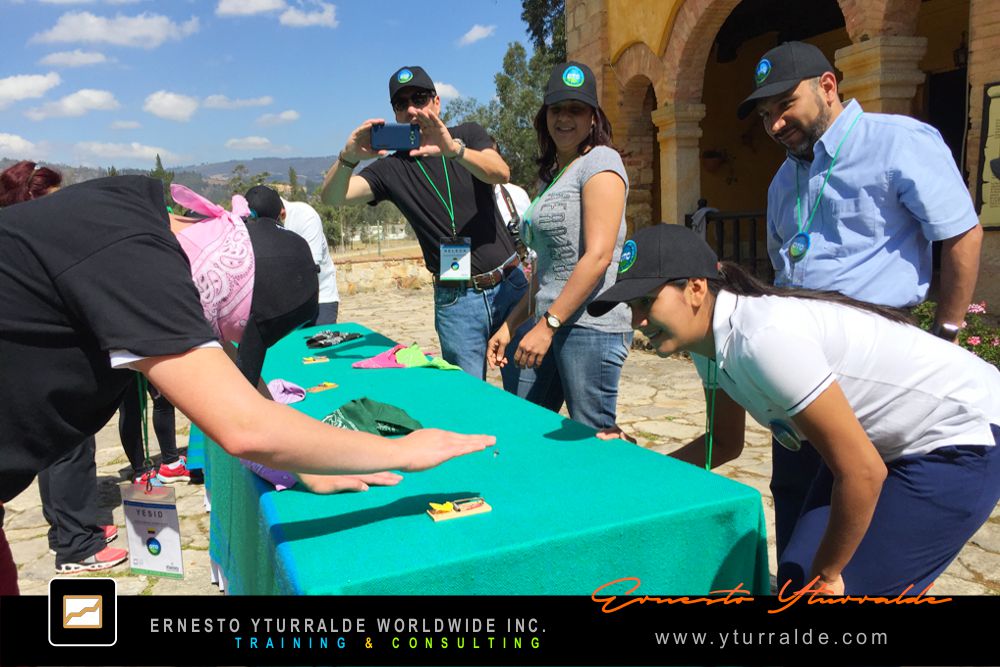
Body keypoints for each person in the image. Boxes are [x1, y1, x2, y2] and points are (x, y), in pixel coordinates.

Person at [0, 175, 494, 595]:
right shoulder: (139, 263)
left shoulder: (146, 213)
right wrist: (404, 451)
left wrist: (306, 463)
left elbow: (241, 387)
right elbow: (244, 426)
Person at [590, 223, 1000, 595]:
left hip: (961, 438)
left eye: (646, 301)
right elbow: (725, 443)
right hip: (882, 447)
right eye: (631, 307)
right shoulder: (708, 343)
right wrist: (643, 467)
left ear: (696, 288)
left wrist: (829, 573)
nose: (637, 321)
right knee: (796, 585)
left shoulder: (762, 340)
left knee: (831, 590)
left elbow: (862, 472)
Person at [737, 40, 984, 556]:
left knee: (856, 507)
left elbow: (960, 235)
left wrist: (948, 335)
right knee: (795, 498)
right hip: (801, 361)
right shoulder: (782, 181)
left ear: (828, 86)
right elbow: (784, 265)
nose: (775, 124)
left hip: (875, 357)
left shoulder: (899, 142)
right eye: (765, 115)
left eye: (784, 105)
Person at [320, 65, 528, 379]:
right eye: (401, 104)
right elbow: (333, 197)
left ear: (436, 102)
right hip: (456, 300)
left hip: (509, 286)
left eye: (419, 98)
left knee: (527, 396)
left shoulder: (468, 135)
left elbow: (500, 172)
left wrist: (454, 150)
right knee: (467, 401)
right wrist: (348, 156)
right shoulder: (390, 169)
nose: (411, 109)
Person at [486, 62, 633, 430]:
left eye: (576, 109)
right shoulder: (551, 177)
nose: (564, 118)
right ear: (544, 116)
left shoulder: (602, 162)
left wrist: (548, 325)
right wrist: (512, 324)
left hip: (590, 327)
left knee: (592, 437)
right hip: (548, 322)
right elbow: (548, 270)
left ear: (593, 118)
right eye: (556, 109)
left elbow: (598, 257)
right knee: (523, 426)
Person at [0, 160, 127, 575]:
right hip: (57, 370)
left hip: (33, 374)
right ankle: (78, 546)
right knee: (72, 453)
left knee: (53, 453)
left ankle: (63, 530)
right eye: (53, 198)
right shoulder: (38, 243)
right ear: (31, 201)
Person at [245, 186, 341, 326]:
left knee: (319, 346)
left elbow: (311, 268)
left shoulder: (306, 216)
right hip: (284, 304)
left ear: (282, 213)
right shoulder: (252, 223)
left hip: (320, 299)